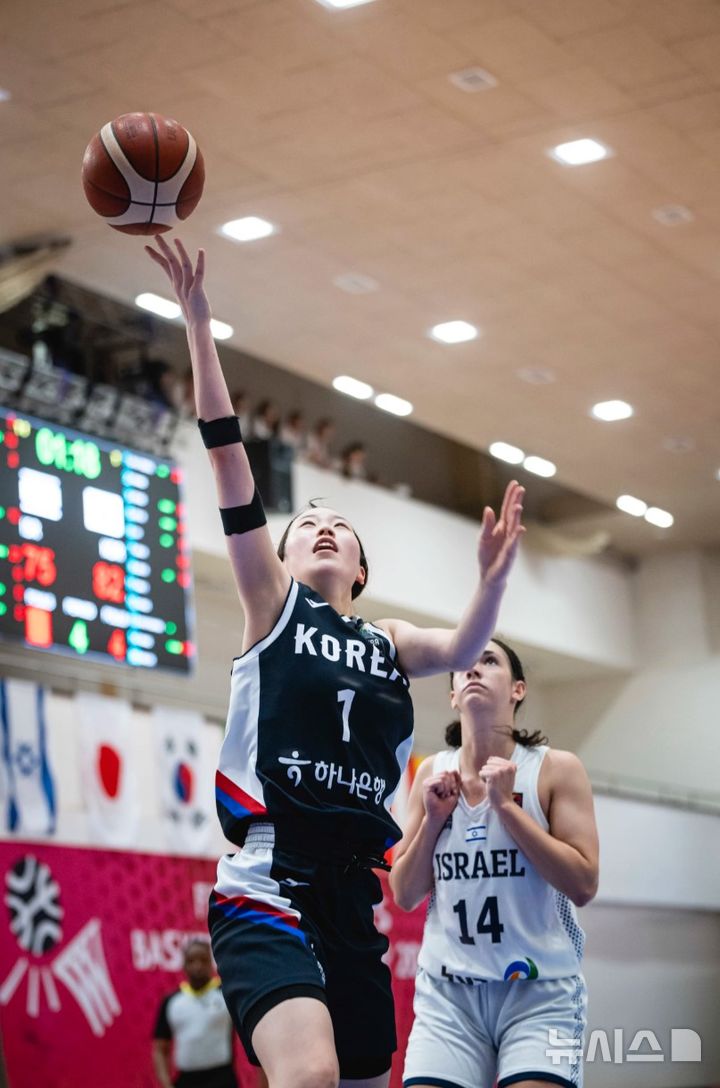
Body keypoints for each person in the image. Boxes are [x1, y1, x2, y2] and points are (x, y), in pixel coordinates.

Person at [145, 236, 525, 1088]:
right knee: (308, 1075)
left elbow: (464, 648)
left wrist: (494, 580)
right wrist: (199, 325)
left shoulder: (387, 639)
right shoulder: (272, 606)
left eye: (339, 526)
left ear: (359, 568)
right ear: (279, 556)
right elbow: (227, 458)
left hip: (353, 894)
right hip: (267, 881)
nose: (321, 527)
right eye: (304, 524)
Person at [390, 639, 599, 1088]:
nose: (474, 669)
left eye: (489, 661)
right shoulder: (432, 774)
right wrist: (433, 821)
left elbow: (583, 883)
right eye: (464, 664)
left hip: (538, 994)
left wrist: (507, 808)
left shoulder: (554, 769)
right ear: (453, 695)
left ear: (517, 689)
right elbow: (404, 894)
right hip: (450, 997)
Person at [152, 939, 237, 1088]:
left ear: (211, 963)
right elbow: (160, 1049)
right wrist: (166, 1084)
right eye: (191, 961)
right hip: (186, 1081)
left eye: (203, 960)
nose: (198, 966)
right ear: (184, 965)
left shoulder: (226, 995)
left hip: (223, 1079)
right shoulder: (172, 1001)